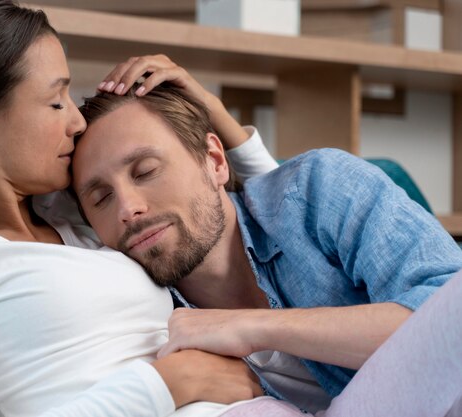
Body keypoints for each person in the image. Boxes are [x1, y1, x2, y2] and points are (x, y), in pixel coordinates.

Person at [0, 1, 297, 417]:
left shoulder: (74, 208)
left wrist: (210, 111)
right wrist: (171, 384)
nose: (77, 123)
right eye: (57, 102)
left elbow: (282, 238)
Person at [70, 80, 462, 415]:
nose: (127, 208)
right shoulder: (129, 312)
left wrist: (252, 327)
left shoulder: (316, 191)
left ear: (215, 160)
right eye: (100, 198)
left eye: (146, 171)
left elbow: (448, 312)